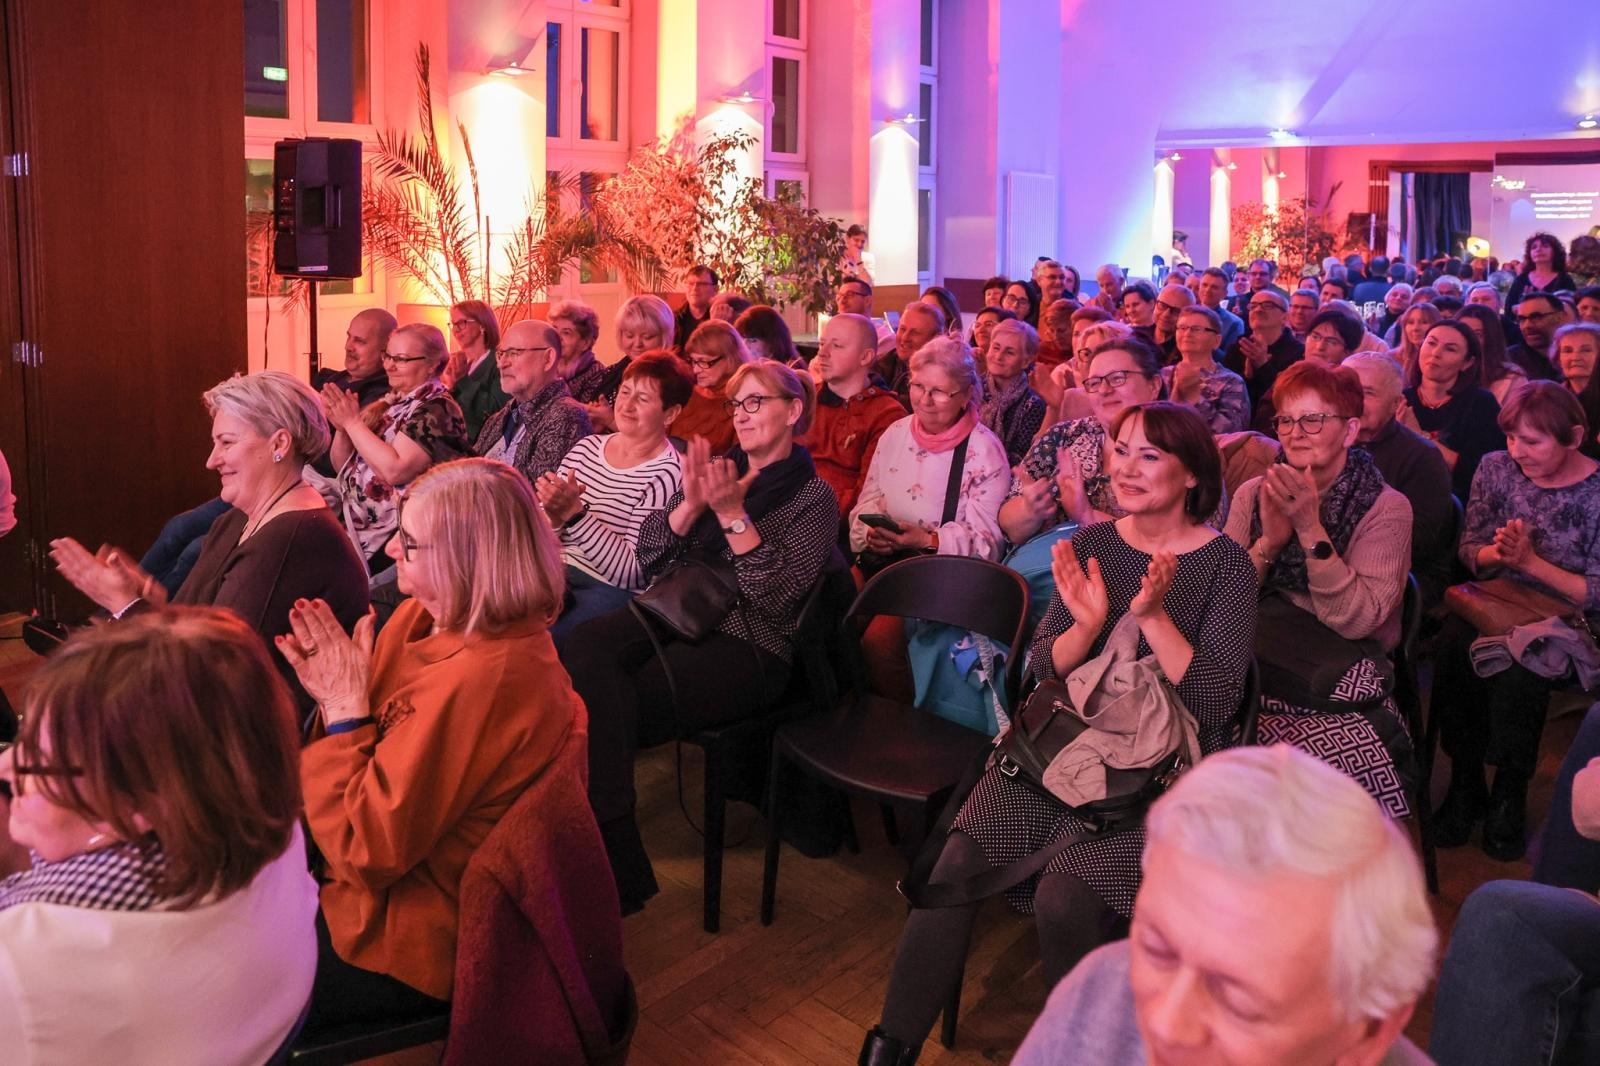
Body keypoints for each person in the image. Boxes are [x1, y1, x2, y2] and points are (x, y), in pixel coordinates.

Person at [861, 403, 1257, 1064]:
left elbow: (1215, 702)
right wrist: (1082, 627)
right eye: (1120, 449)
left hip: (1155, 779)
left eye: (1149, 456)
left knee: (1065, 896)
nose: (1126, 468)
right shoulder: (1095, 542)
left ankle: (1085, 1050)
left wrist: (1153, 618)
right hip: (1061, 748)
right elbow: (1041, 672)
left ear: (1192, 475)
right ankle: (887, 1051)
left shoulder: (1226, 566)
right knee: (955, 862)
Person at [284, 457, 583, 1025]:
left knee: (206, 986)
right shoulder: (423, 614)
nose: (392, 550)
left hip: (398, 927)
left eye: (411, 542)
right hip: (355, 862)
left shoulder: (490, 678)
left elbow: (365, 852)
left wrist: (345, 711)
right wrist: (343, 702)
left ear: (472, 561)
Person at [564, 360, 840, 912]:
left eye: (756, 402)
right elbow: (649, 556)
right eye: (737, 404)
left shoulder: (814, 497)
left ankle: (606, 853)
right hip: (676, 607)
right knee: (574, 651)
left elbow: (773, 596)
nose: (742, 415)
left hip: (751, 641)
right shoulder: (716, 467)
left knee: (614, 701)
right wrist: (690, 505)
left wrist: (733, 514)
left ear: (794, 411)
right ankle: (611, 844)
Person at [0, 608, 322, 1063]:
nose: (7, 768)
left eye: (37, 761)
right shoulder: (260, 816)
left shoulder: (23, 966)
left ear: (136, 808)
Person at [1012, 744, 1436, 1066]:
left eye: (1240, 1004)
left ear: (1369, 1032)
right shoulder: (1102, 982)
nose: (1164, 1025)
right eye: (1158, 950)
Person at [49, 371, 369, 713]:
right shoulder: (239, 519)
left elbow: (210, 680)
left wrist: (127, 607)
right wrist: (151, 604)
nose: (211, 460)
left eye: (227, 443)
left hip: (248, 750)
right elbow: (200, 635)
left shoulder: (294, 541)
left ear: (279, 444)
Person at [1226, 361, 1415, 817]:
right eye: (1287, 420)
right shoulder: (1254, 491)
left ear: (1350, 431)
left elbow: (1358, 620)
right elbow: (1223, 596)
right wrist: (1269, 544)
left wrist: (1310, 527)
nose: (1296, 432)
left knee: (1277, 763)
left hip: (1343, 658)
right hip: (1262, 645)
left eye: (1314, 419)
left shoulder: (1386, 507)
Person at [1430, 382, 1600, 860]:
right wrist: (1497, 552)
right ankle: (1465, 780)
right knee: (1453, 647)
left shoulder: (1595, 491)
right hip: (1496, 597)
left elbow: (1596, 590)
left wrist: (1529, 563)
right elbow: (1470, 550)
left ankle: (1508, 788)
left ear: (1574, 436)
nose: (1517, 452)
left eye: (1532, 441)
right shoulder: (1496, 468)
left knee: (1524, 665)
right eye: (1511, 438)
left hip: (1568, 617)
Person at [540, 352, 691, 649]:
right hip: (551, 568)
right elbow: (542, 531)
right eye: (625, 392)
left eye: (643, 399)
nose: (627, 405)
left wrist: (575, 515)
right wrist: (554, 518)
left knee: (545, 642)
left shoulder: (669, 472)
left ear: (670, 414)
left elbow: (631, 571)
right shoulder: (586, 447)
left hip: (606, 587)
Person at [850, 336, 1009, 565]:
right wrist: (871, 534)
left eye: (939, 391)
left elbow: (989, 546)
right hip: (887, 570)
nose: (925, 400)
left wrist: (928, 540)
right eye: (918, 386)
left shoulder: (985, 452)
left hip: (942, 579)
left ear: (965, 395)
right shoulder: (895, 434)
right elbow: (866, 503)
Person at [324, 323, 471, 571]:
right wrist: (342, 428)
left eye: (401, 359)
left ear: (433, 363)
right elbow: (343, 466)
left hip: (405, 540)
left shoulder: (437, 407)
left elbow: (395, 470)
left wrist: (352, 422)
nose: (389, 365)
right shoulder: (393, 403)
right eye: (388, 356)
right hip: (360, 527)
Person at [1006, 336, 1160, 543]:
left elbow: (1182, 545)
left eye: (1117, 378)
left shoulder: (1177, 447)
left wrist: (1087, 516)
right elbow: (1008, 527)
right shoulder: (1063, 436)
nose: (1105, 390)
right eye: (1094, 383)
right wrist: (1029, 509)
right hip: (1043, 566)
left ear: (1154, 385)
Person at [1345, 352, 1455, 608]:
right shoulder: (1323, 440)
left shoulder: (1422, 458)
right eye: (1345, 390)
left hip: (1398, 577)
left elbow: (1418, 542)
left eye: (1367, 393)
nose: (1353, 401)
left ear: (1395, 405)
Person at [798, 313, 907, 516]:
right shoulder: (804, 399)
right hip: (785, 513)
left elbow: (867, 496)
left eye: (837, 346)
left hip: (838, 529)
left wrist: (804, 512)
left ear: (865, 357)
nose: (823, 353)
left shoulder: (887, 414)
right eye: (822, 344)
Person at [470, 318, 592, 489]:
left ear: (548, 359)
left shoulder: (567, 415)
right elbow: (467, 470)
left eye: (514, 353)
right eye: (501, 353)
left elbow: (532, 495)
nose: (502, 364)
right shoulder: (501, 416)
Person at [1398, 319, 1505, 501]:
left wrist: (1419, 436)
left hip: (1460, 502)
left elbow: (1480, 472)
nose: (1436, 353)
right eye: (1431, 343)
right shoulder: (1401, 399)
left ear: (1467, 363)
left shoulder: (1481, 404)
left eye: (1450, 349)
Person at [1162, 305, 1249, 433]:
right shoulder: (1163, 374)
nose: (1187, 334)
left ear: (1217, 340)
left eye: (1196, 329)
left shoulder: (1231, 382)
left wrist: (1195, 398)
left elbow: (1231, 433)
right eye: (1182, 328)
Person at [677, 319, 752, 454]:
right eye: (693, 361)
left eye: (704, 362)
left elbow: (740, 463)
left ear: (730, 358)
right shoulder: (686, 394)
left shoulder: (744, 403)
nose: (696, 370)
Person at [979, 320, 1048, 465]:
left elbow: (1022, 458)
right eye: (996, 348)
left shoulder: (1033, 405)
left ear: (1026, 361)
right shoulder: (972, 389)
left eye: (1009, 352)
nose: (998, 356)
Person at [1222, 289, 1302, 412]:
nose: (1258, 310)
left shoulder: (1297, 352)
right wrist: (1247, 377)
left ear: (1284, 316)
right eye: (1253, 306)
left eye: (1267, 306)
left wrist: (1263, 366)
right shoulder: (1238, 347)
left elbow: (1289, 397)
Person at [442, 300, 508, 443]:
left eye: (462, 323)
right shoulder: (452, 362)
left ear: (482, 325)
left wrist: (462, 382)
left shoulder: (499, 362)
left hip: (479, 445)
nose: (455, 330)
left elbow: (495, 410)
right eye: (453, 324)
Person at [314, 308, 398, 410]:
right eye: (349, 337)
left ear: (386, 348)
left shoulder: (381, 395)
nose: (348, 346)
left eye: (359, 341)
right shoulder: (328, 377)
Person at [1504, 232, 1577, 336]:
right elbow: (1509, 309)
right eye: (1534, 247)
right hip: (1524, 332)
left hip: (1556, 333)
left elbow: (1571, 309)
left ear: (1555, 252)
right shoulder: (1522, 279)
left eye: (1545, 246)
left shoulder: (1564, 279)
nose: (1538, 250)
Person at [1456, 302, 1527, 405]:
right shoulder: (1444, 371)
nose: (1467, 339)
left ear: (1491, 338)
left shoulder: (1512, 379)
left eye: (1477, 334)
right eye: (1462, 332)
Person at [876, 301, 944, 406]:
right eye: (902, 329)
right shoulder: (882, 364)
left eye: (915, 332)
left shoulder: (944, 378)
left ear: (935, 338)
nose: (904, 338)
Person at [1556, 322, 1600, 446]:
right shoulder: (1551, 398)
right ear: (1558, 359)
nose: (1576, 357)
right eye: (1567, 351)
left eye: (1586, 350)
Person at [1507, 292, 1567, 381]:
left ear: (1559, 317)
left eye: (1536, 317)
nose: (1527, 325)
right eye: (1522, 319)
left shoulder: (1578, 355)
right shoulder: (1509, 362)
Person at [836, 276, 897, 356]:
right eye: (839, 297)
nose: (842, 301)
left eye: (849, 295)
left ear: (867, 300)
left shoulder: (883, 339)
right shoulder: (833, 334)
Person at [735, 304, 803, 367]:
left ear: (772, 344)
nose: (744, 346)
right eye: (741, 339)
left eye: (753, 340)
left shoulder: (791, 375)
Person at [1387, 301, 1442, 377]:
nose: (1415, 328)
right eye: (1410, 322)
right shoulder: (1391, 358)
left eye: (1424, 322)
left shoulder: (1441, 358)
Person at [1196, 267, 1245, 350]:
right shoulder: (1185, 316)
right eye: (1204, 285)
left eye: (1214, 287)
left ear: (1225, 293)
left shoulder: (1234, 323)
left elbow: (1229, 359)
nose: (1207, 290)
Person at [674, 264, 719, 350]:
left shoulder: (720, 318)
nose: (695, 288)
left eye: (701, 284)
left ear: (715, 289)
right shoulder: (674, 318)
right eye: (690, 284)